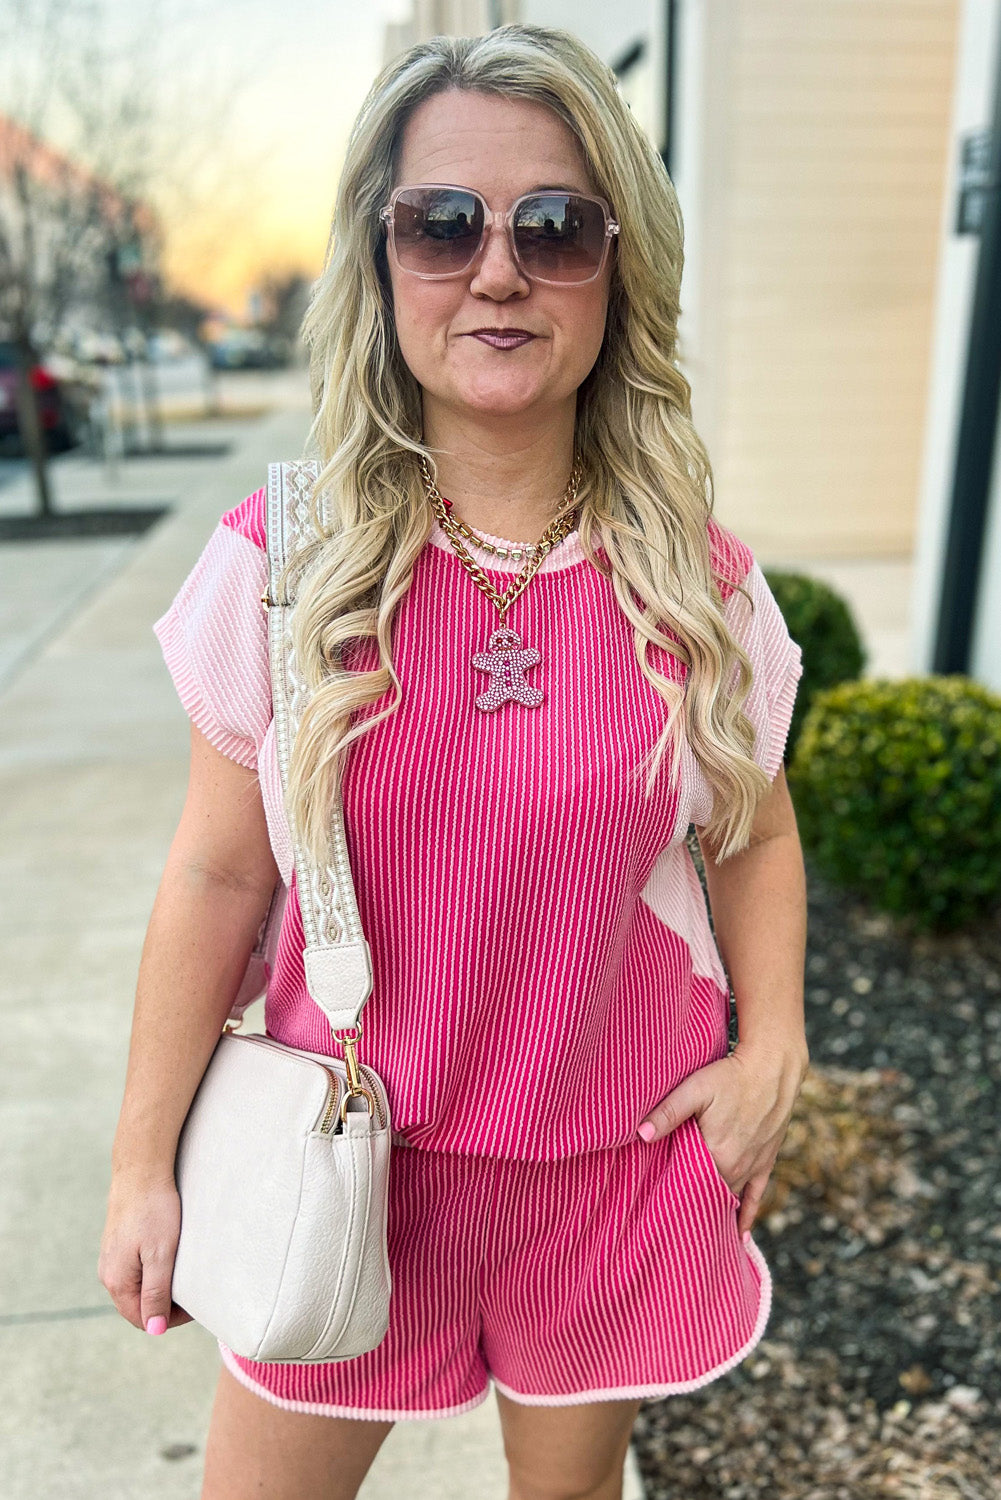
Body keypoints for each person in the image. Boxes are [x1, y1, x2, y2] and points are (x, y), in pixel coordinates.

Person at [99, 22, 809, 1500]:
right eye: (441, 225)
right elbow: (218, 875)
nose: (496, 272)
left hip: (609, 1176)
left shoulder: (695, 586)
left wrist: (773, 1052)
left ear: (616, 269)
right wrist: (142, 1165)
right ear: (381, 261)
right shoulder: (290, 569)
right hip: (342, 1160)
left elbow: (753, 833)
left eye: (553, 228)